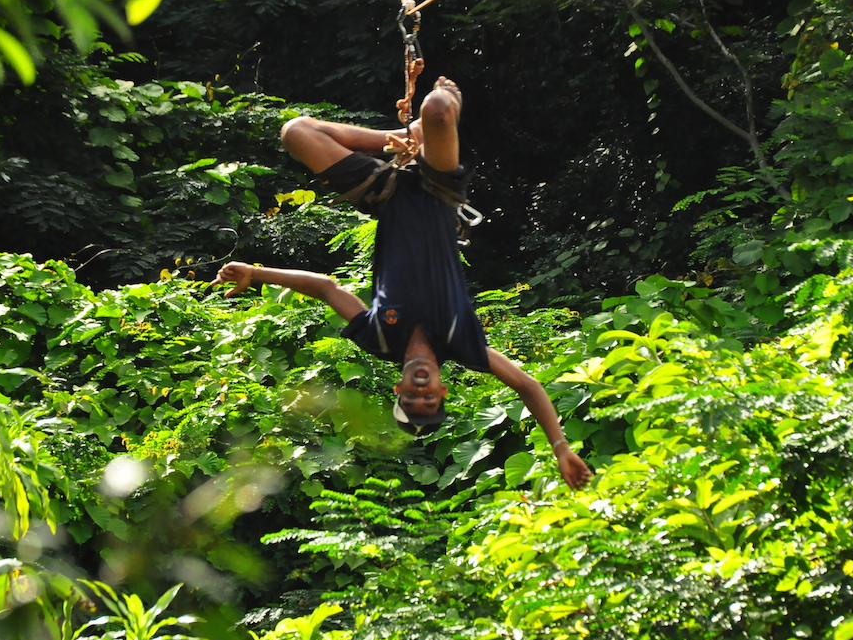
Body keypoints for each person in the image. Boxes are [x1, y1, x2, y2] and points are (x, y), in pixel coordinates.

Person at [213, 76, 591, 488]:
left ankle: (398, 137)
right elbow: (527, 384)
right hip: (440, 193)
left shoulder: (379, 338)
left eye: (411, 398)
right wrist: (560, 447)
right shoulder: (462, 343)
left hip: (385, 194)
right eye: (428, 399)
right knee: (437, 111)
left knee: (295, 132)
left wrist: (256, 273)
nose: (420, 392)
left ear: (399, 388)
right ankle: (431, 120)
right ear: (442, 390)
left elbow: (326, 288)